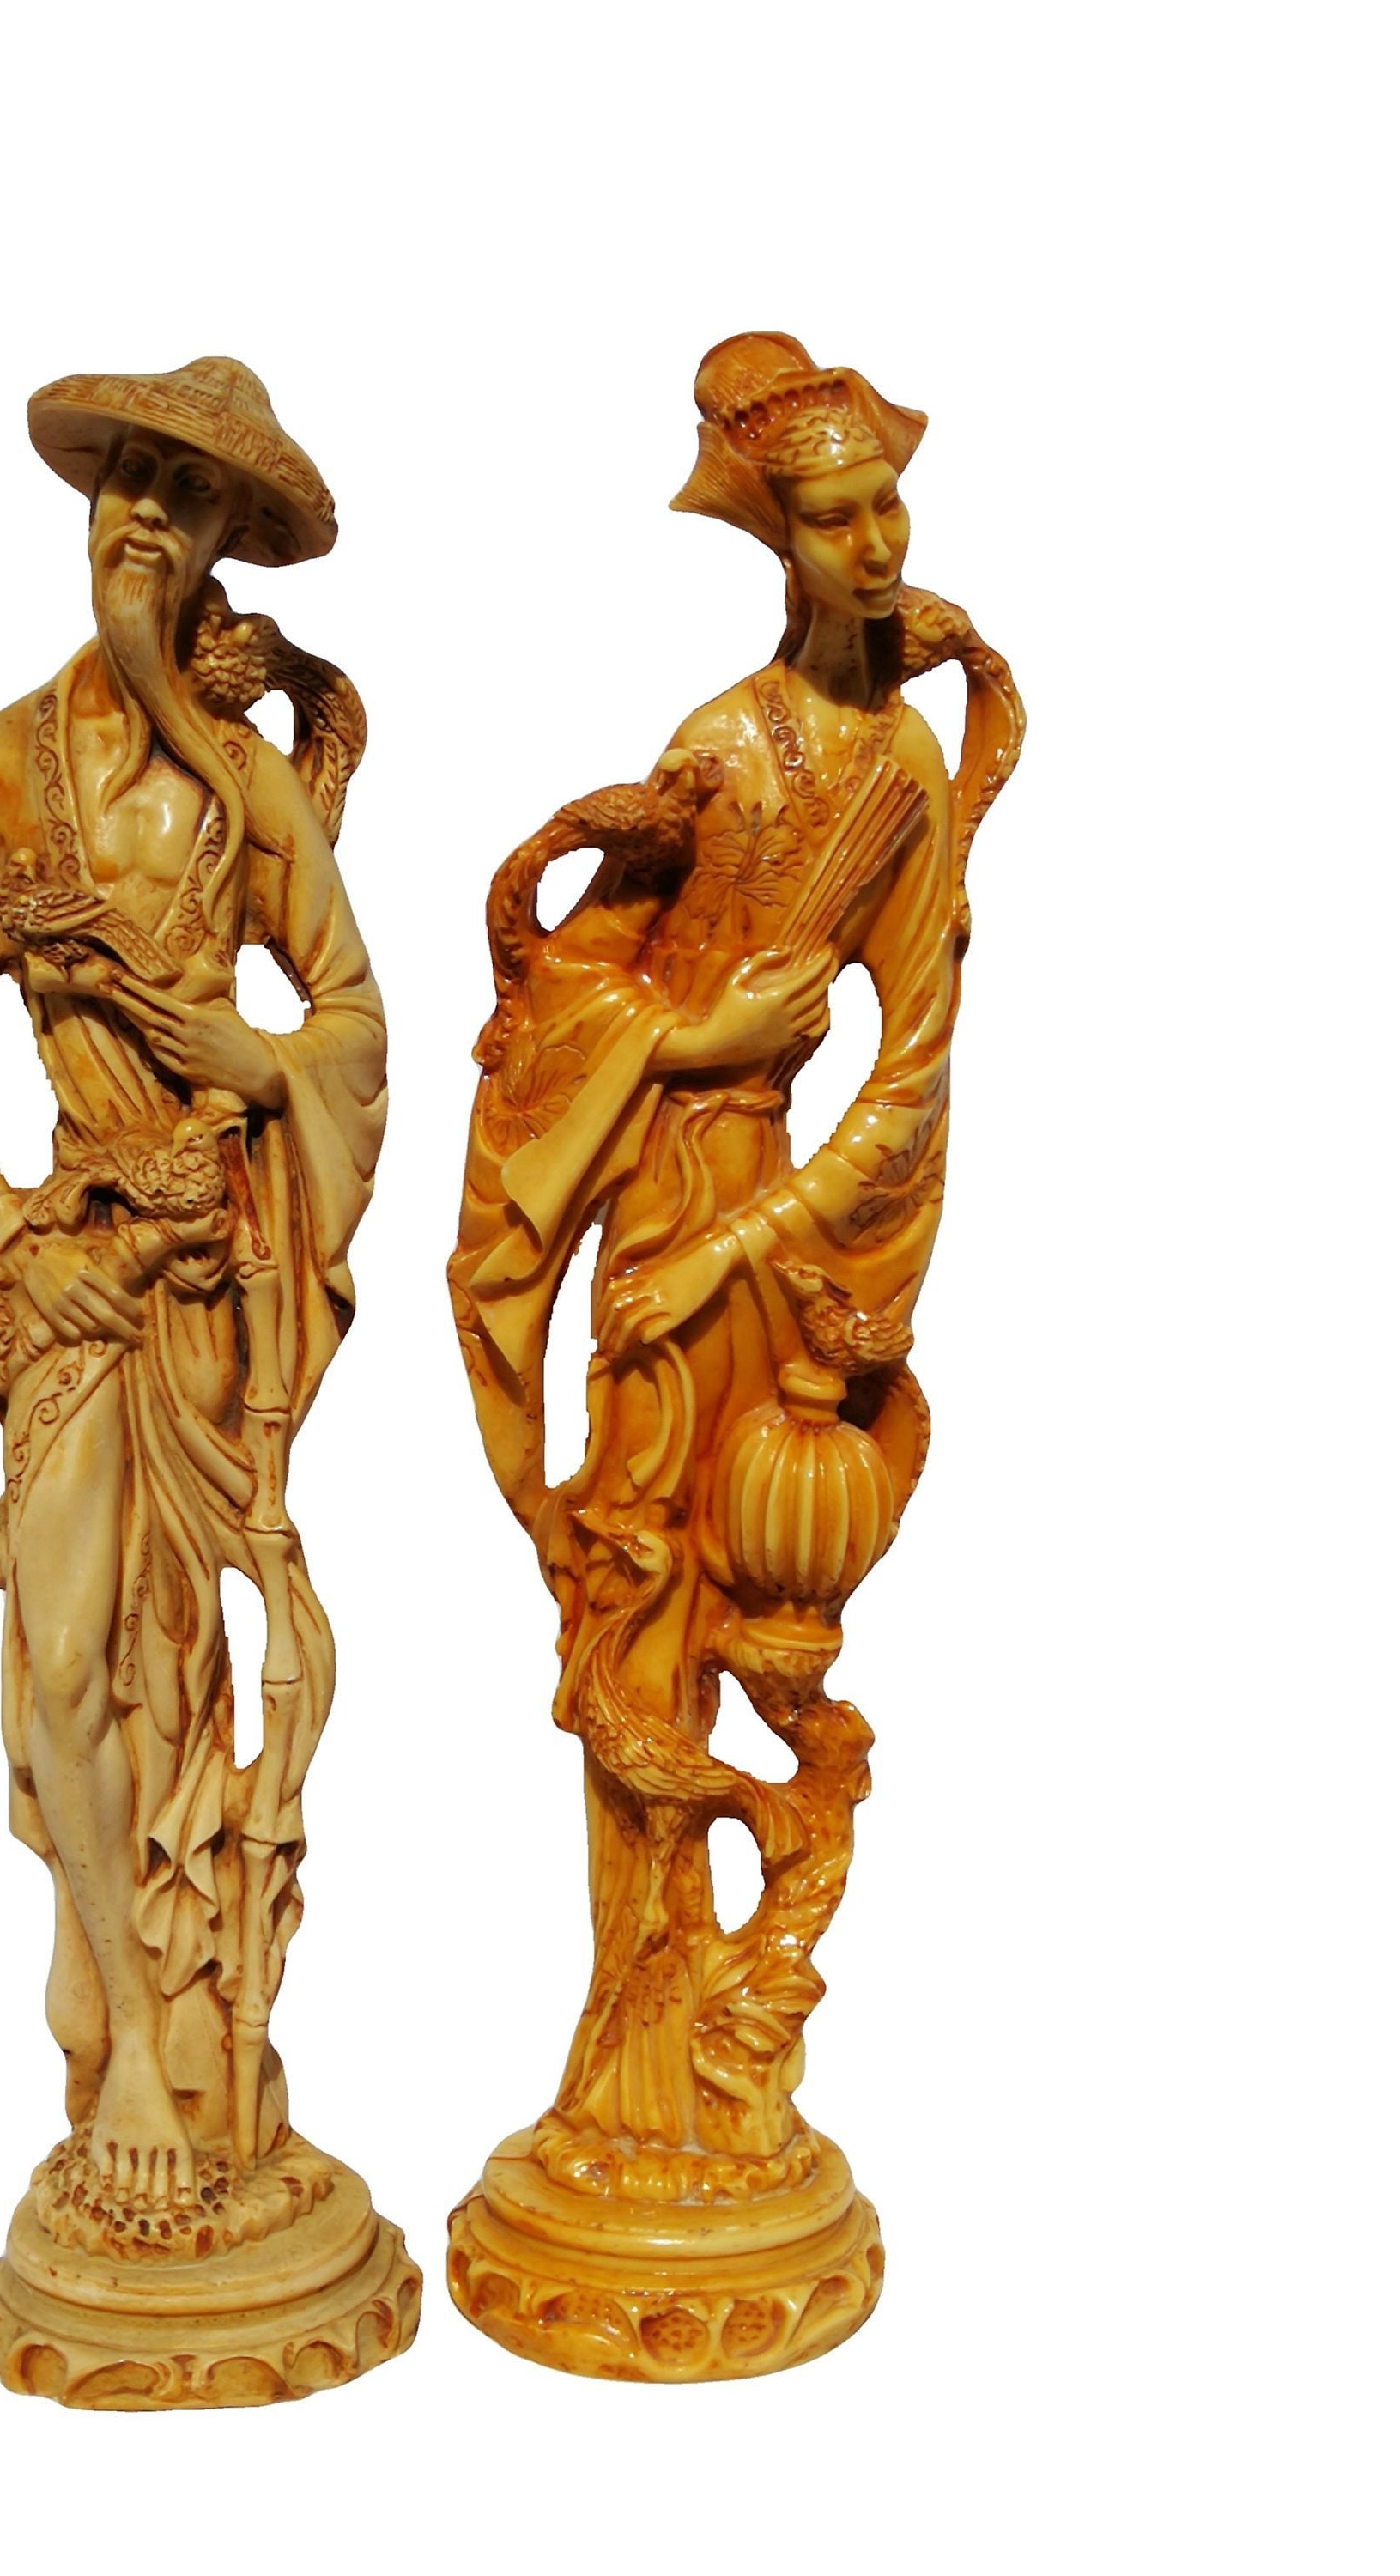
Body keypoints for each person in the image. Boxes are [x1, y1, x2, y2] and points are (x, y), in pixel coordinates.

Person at [452, 333, 1023, 2181]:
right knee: (636, 1605)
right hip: (654, 1203)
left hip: (764, 1235)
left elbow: (911, 1067)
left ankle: (719, 2033)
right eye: (834, 518)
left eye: (887, 507)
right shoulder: (721, 748)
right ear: (778, 540)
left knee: (750, 1593)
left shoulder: (905, 772)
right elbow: (567, 993)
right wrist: (691, 1044)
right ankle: (629, 2051)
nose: (875, 544)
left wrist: (752, 1253)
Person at [0, 361, 385, 2213]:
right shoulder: (5, 763)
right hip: (76, 1281)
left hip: (214, 1286)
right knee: (59, 1670)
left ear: (229, 539)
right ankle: (119, 2047)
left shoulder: (248, 791)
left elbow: (352, 1026)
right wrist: (3, 1232)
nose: (144, 519)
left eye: (186, 495)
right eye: (126, 481)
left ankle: (180, 2054)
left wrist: (249, 1058)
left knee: (198, 1673)